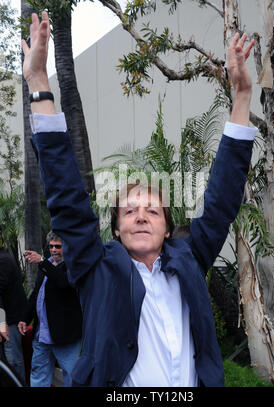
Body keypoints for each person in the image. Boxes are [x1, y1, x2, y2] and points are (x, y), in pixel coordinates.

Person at [21, 12, 256, 386]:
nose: (142, 216)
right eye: (130, 211)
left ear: (167, 227)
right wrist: (38, 81)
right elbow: (66, 197)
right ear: (116, 229)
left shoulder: (189, 260)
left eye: (152, 210)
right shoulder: (98, 270)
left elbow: (222, 200)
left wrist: (242, 96)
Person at [18, 231, 82, 387]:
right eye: (51, 246)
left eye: (58, 247)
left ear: (67, 247)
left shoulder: (74, 265)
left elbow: (63, 281)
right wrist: (25, 318)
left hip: (66, 337)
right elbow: (36, 295)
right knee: (39, 376)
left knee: (72, 378)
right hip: (42, 336)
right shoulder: (47, 265)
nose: (53, 250)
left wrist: (42, 261)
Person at [0, 246, 28, 384]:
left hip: (9, 323)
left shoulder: (3, 261)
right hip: (6, 321)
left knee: (13, 365)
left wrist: (1, 323)